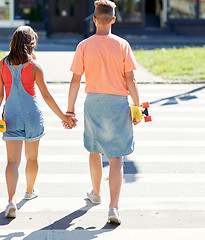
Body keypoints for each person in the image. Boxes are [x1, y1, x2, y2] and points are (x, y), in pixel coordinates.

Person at [65, 0, 140, 225]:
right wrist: (138, 107)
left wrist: (70, 110)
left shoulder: (84, 46)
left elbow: (75, 80)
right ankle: (113, 207)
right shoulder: (122, 45)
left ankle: (96, 192)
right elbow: (131, 79)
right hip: (118, 103)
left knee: (95, 149)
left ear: (94, 19)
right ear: (114, 20)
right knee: (117, 157)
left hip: (94, 103)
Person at [0, 26, 77, 218]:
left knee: (12, 161)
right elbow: (46, 96)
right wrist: (64, 117)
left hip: (10, 116)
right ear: (31, 44)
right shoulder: (35, 67)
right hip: (32, 116)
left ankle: (11, 201)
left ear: (13, 42)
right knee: (32, 158)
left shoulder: (1, 65)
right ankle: (29, 191)